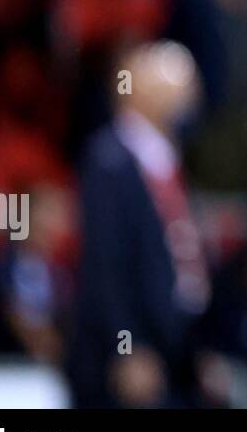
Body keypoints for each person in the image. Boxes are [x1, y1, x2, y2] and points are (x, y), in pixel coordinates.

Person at [68, 40, 209, 407]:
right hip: (133, 348)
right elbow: (105, 263)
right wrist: (127, 347)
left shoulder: (169, 157)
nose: (187, 89)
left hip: (177, 344)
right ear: (133, 88)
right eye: (171, 77)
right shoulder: (109, 159)